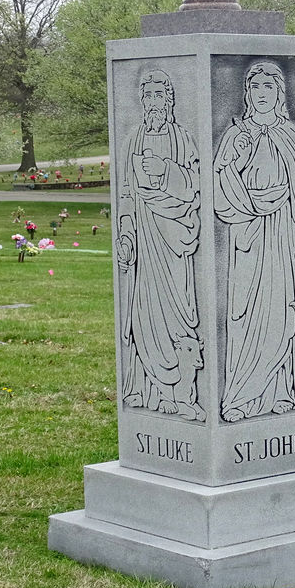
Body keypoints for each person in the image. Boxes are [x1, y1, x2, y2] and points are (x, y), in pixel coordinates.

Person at [214, 60, 295, 422]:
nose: (262, 95)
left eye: (268, 88)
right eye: (255, 88)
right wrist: (232, 160)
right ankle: (244, 397)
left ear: (279, 94)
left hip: (285, 238)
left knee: (285, 314)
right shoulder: (235, 136)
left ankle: (283, 393)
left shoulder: (292, 136)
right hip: (249, 238)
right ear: (247, 93)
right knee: (247, 316)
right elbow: (220, 192)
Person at [115, 69, 204, 420]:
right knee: (143, 313)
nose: (153, 103)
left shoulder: (182, 138)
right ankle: (150, 390)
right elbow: (124, 191)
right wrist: (125, 233)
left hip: (173, 239)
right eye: (147, 96)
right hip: (144, 237)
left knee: (178, 313)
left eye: (158, 96)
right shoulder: (134, 138)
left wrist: (166, 169)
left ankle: (183, 394)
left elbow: (197, 184)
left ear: (169, 100)